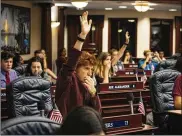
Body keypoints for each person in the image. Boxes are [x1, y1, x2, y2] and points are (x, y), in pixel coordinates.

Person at [55, 11, 101, 118]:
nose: (90, 73)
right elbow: (71, 62)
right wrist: (82, 36)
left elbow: (97, 113)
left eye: (91, 70)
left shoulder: (88, 85)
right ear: (76, 68)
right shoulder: (67, 79)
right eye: (86, 68)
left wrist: (94, 94)